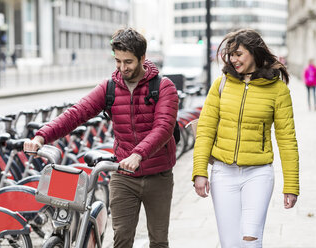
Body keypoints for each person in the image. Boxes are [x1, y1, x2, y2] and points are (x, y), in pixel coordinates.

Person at [24, 28, 178, 248]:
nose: (122, 68)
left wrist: (138, 154)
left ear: (143, 58)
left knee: (159, 240)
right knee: (122, 238)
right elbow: (75, 113)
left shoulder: (164, 87)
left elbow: (163, 128)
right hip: (123, 175)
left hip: (158, 176)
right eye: (118, 61)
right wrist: (41, 136)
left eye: (128, 62)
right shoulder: (110, 87)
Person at [192, 29, 299, 248]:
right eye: (231, 54)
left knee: (251, 240)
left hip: (258, 174)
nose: (233, 59)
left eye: (239, 54)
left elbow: (287, 139)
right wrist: (200, 171)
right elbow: (205, 129)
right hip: (223, 173)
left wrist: (291, 185)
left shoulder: (278, 90)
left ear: (254, 52)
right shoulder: (221, 84)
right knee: (230, 244)